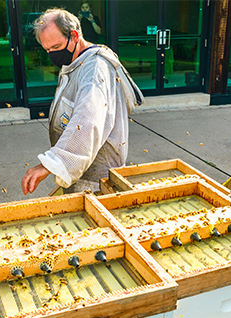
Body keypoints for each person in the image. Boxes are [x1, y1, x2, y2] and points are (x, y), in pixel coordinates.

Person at [21, 8, 142, 196]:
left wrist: (51, 163)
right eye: (47, 50)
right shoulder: (76, 61)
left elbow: (87, 121)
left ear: (74, 35)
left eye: (55, 47)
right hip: (82, 175)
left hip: (97, 182)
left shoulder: (94, 69)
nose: (52, 54)